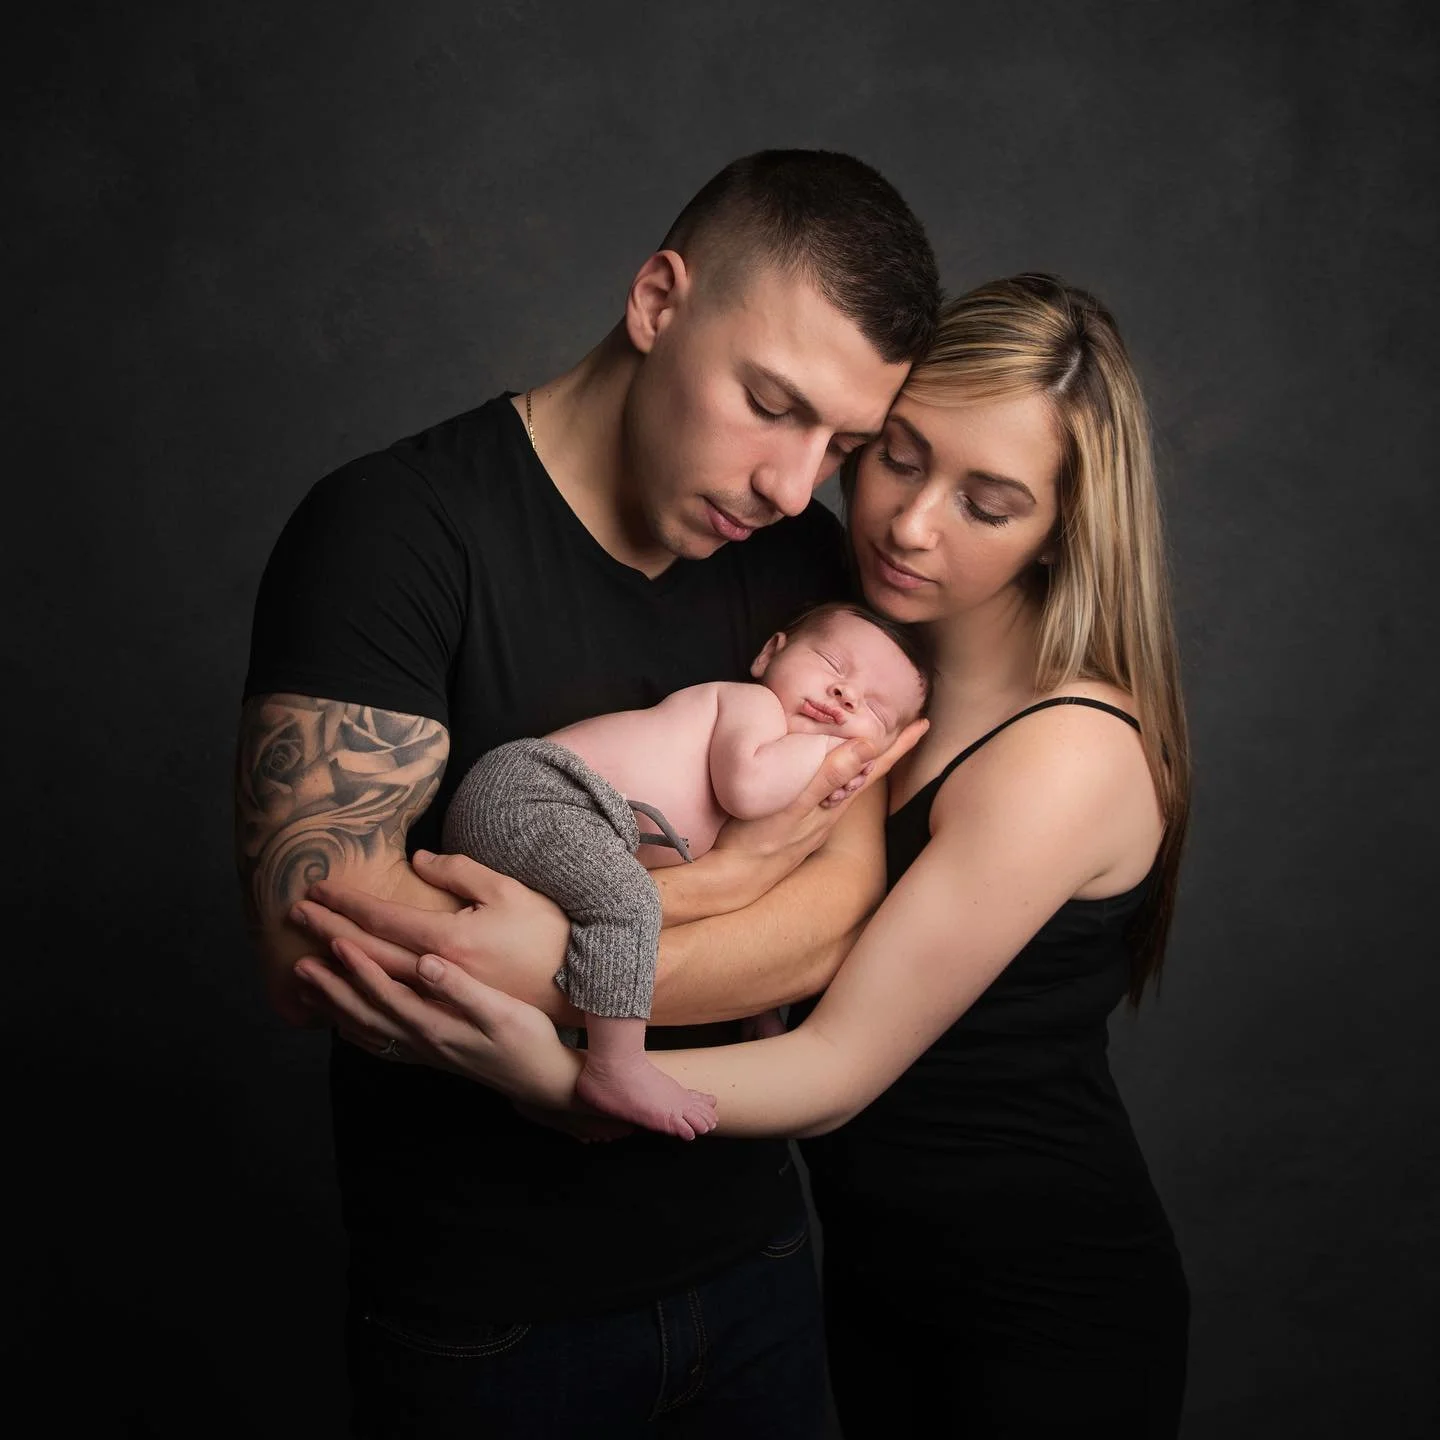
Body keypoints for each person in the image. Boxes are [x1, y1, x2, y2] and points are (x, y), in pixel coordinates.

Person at [295, 274, 1193, 1437]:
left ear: (1059, 531)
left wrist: (557, 1057)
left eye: (990, 500)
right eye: (901, 455)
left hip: (1031, 1299)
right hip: (864, 1276)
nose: (910, 523)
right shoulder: (849, 672)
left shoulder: (1064, 751)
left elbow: (836, 1067)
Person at [236, 148, 939, 1437]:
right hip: (487, 1323)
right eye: (772, 404)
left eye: (838, 444)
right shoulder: (393, 530)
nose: (796, 484)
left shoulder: (806, 576)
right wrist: (727, 889)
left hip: (759, 1264)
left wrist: (537, 970)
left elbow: (839, 917)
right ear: (660, 301)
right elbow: (315, 945)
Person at [442, 601, 931, 1139]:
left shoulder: (786, 762)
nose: (846, 695)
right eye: (833, 665)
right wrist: (835, 753)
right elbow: (747, 789)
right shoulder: (751, 705)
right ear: (770, 654)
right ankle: (616, 1068)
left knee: (627, 919)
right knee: (630, 904)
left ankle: (563, 1072)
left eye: (876, 711)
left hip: (572, 835)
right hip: (536, 793)